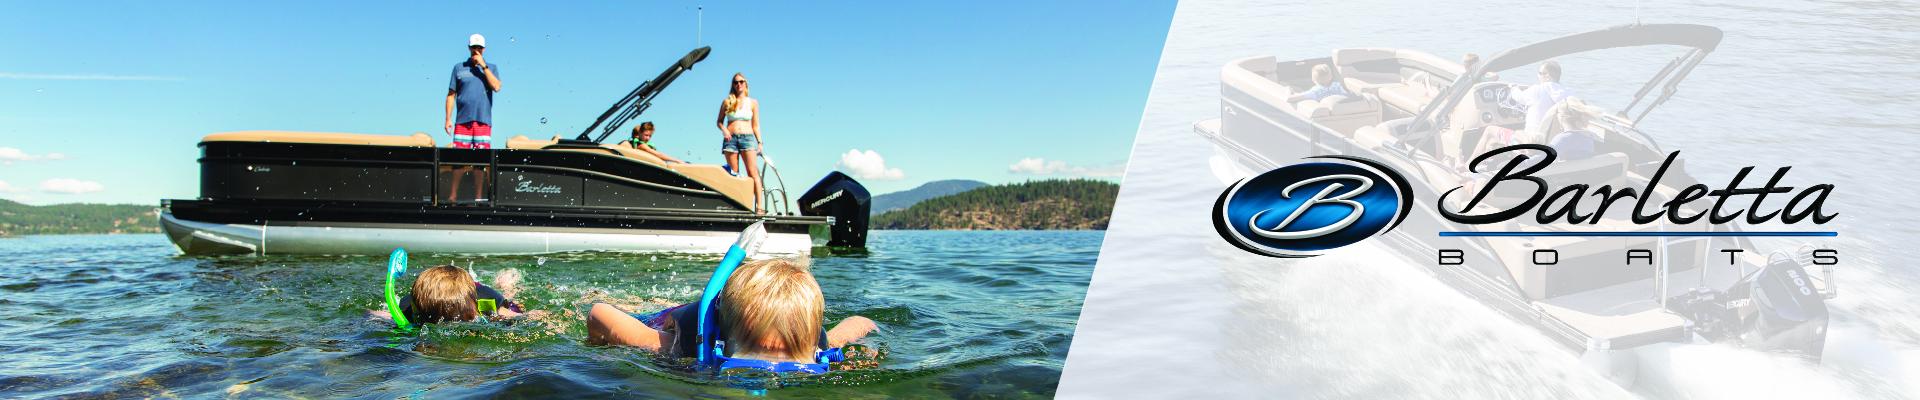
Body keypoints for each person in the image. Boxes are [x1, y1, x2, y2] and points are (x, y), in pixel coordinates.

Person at [585, 258, 878, 365]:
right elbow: (600, 312)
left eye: (791, 360)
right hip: (671, 320)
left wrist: (862, 355)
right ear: (722, 344)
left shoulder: (816, 345)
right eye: (753, 360)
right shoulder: (678, 346)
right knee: (645, 309)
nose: (772, 372)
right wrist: (596, 345)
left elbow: (860, 322)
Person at [444, 33, 503, 203]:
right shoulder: (459, 68)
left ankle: (478, 197)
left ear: (484, 49)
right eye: (474, 47)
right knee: (458, 159)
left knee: (480, 161)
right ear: (469, 48)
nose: (476, 50)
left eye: (479, 47)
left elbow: (497, 87)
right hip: (462, 121)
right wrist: (447, 119)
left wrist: (484, 66)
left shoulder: (491, 68)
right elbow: (451, 95)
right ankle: (453, 195)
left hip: (483, 121)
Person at [374, 265, 527, 324]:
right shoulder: (410, 308)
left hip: (477, 293)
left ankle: (507, 285)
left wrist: (530, 317)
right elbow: (384, 315)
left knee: (512, 302)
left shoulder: (484, 303)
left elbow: (522, 317)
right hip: (463, 295)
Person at [715, 73, 767, 213]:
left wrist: (760, 142)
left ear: (746, 83)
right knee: (734, 174)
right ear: (732, 85)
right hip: (730, 140)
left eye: (741, 81)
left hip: (747, 138)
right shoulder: (727, 101)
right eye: (736, 82)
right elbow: (719, 121)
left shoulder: (753, 102)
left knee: (753, 172)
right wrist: (724, 130)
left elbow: (756, 125)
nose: (739, 84)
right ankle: (739, 207)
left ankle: (759, 207)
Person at [1286, 64, 1351, 104]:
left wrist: (1288, 90)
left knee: (1297, 90)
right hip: (1340, 109)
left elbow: (1289, 99)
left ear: (1313, 79)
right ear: (1331, 77)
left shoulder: (1315, 92)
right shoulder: (1338, 86)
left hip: (1324, 112)